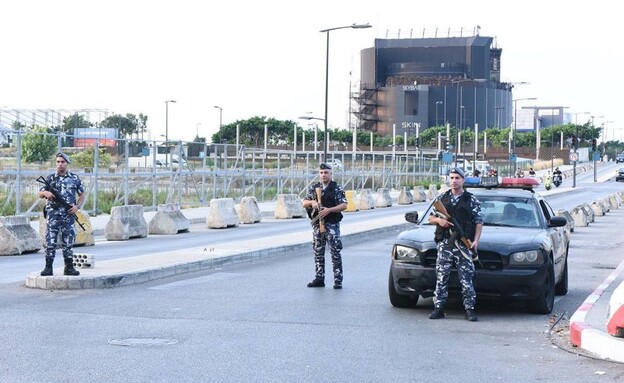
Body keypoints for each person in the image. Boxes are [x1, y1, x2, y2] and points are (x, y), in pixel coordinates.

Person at [428, 167, 483, 321]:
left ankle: (469, 309)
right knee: (441, 276)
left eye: (457, 178)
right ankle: (438, 308)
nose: (454, 181)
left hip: (463, 244)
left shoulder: (471, 199)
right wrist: (440, 220)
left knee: (466, 277)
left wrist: (476, 241)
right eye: (452, 178)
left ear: (463, 180)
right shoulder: (442, 198)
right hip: (445, 243)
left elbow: (478, 222)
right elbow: (430, 218)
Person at [38, 152, 85, 276]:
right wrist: (45, 194)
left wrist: (77, 207)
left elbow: (82, 195)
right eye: (58, 162)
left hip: (68, 215)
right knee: (50, 241)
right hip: (53, 215)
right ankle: (48, 267)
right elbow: (40, 192)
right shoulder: (50, 178)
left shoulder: (74, 178)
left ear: (67, 163)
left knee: (68, 241)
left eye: (62, 162)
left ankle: (69, 267)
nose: (60, 164)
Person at [303, 163, 348, 289]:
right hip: (318, 225)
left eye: (326, 172)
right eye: (321, 172)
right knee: (318, 251)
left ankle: (338, 280)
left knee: (335, 251)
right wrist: (312, 202)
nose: (323, 175)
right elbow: (304, 202)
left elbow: (344, 205)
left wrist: (329, 210)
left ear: (331, 174)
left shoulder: (336, 188)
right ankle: (319, 278)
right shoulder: (315, 188)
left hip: (331, 224)